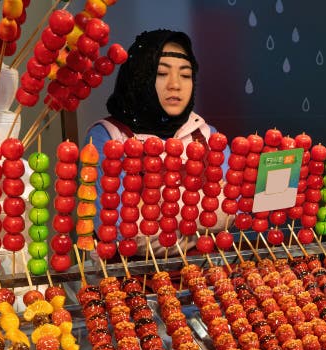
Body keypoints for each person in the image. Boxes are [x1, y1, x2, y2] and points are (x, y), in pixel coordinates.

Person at [85, 29, 227, 249]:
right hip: (128, 277)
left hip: (208, 274)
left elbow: (229, 213)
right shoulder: (107, 137)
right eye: (161, 73)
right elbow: (124, 233)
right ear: (140, 76)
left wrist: (159, 209)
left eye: (186, 75)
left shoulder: (209, 135)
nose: (175, 84)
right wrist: (198, 218)